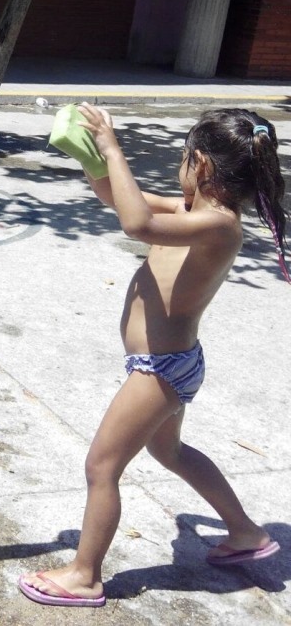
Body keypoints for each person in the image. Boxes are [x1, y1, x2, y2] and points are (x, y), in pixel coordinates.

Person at [18, 104, 285, 609]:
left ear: (199, 164)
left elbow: (136, 223)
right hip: (170, 364)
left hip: (158, 371)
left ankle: (84, 576)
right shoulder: (191, 213)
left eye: (183, 158)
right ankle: (246, 532)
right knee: (170, 452)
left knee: (101, 466)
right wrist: (91, 155)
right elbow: (121, 199)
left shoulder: (219, 226)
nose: (180, 167)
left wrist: (114, 147)